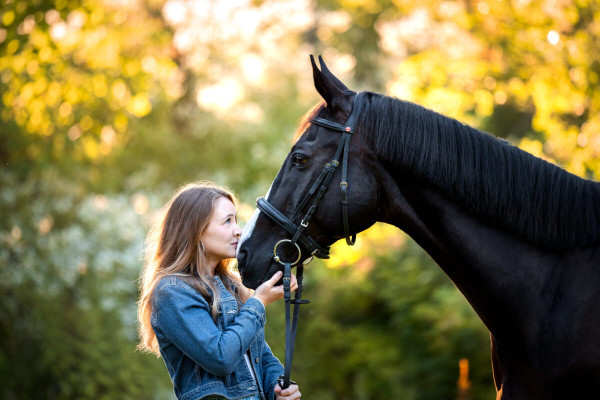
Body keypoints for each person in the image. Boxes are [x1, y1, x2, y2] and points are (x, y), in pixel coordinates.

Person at [137, 181, 301, 400]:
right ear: (195, 231)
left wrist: (277, 386)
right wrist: (259, 302)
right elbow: (220, 357)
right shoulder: (172, 292)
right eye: (227, 222)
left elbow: (260, 355)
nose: (238, 231)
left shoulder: (232, 285)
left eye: (236, 220)